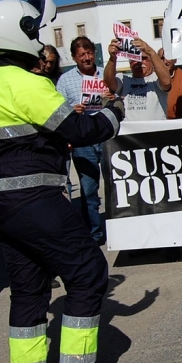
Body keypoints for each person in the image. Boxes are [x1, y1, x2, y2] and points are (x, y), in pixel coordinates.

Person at [0, 0, 127, 363]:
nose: (37, 37)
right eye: (33, 29)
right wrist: (114, 111)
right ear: (17, 35)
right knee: (88, 273)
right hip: (33, 197)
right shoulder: (26, 84)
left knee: (29, 288)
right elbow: (79, 129)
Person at [56, 37, 108, 245]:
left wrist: (112, 97)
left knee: (115, 187)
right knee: (88, 191)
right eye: (81, 55)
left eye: (89, 53)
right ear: (74, 57)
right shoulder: (65, 80)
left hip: (107, 137)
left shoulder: (107, 74)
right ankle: (94, 235)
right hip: (83, 142)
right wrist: (71, 111)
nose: (86, 57)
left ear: (94, 53)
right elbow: (58, 110)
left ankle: (118, 230)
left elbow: (121, 99)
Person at [104, 36, 171, 121]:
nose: (139, 62)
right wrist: (113, 57)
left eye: (144, 58)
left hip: (155, 132)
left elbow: (166, 82)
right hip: (131, 133)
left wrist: (151, 52)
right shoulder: (124, 80)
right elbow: (108, 82)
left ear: (151, 61)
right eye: (134, 59)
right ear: (130, 63)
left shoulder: (156, 79)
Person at [159, 47, 182, 119]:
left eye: (168, 57)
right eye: (161, 58)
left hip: (181, 124)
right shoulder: (153, 79)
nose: (165, 62)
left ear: (175, 60)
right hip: (160, 124)